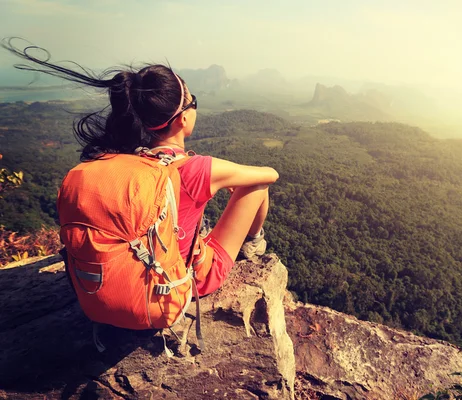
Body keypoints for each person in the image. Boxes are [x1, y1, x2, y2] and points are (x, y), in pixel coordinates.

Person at [2, 38, 279, 297]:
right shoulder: (198, 168)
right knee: (256, 185)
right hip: (180, 283)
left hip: (126, 282)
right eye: (193, 102)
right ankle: (254, 243)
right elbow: (270, 174)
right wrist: (226, 180)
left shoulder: (121, 160)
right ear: (182, 119)